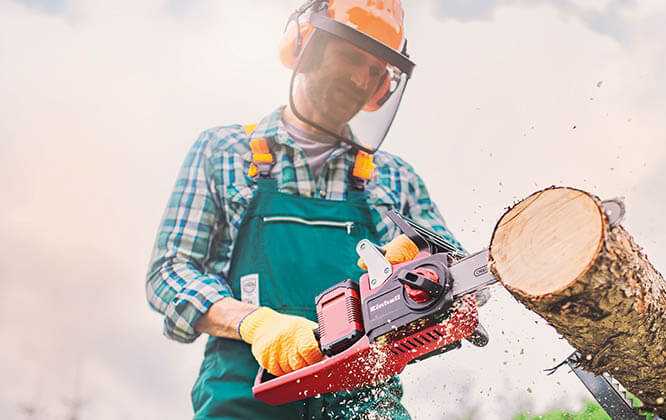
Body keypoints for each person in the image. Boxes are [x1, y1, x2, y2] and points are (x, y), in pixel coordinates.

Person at [146, 0, 462, 418]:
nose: (359, 78)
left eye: (375, 71)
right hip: (245, 395)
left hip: (366, 399)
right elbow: (170, 271)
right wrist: (256, 324)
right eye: (350, 56)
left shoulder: (395, 177)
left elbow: (454, 271)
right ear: (306, 46)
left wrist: (423, 267)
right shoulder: (224, 152)